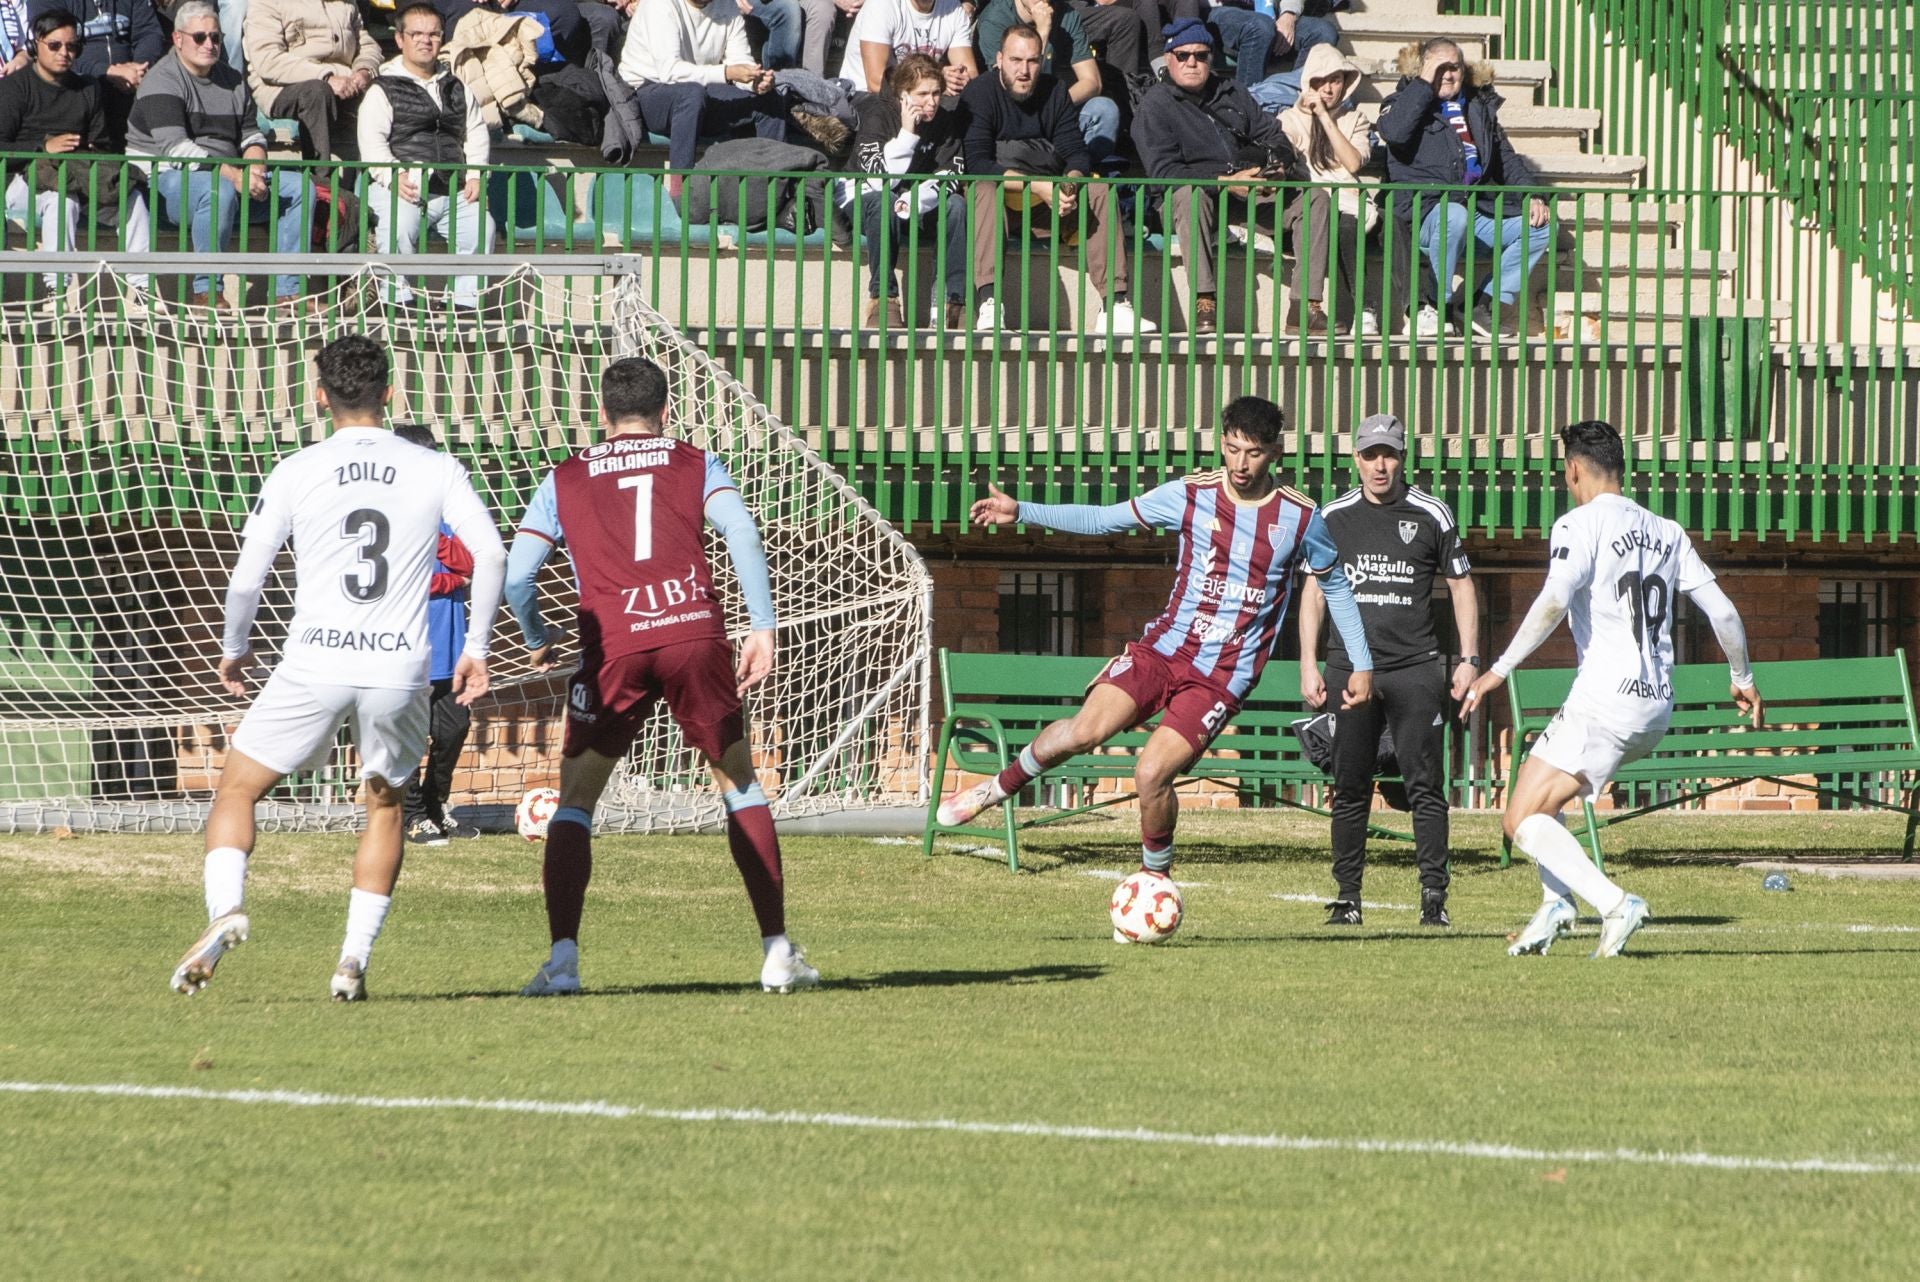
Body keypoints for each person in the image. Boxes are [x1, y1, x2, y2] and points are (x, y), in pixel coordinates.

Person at [939, 396, 1374, 923]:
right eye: (1232, 448)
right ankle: (997, 788)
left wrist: (1362, 662)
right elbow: (1105, 519)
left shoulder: (1302, 518)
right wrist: (1023, 511)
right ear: (1222, 442)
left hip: (1219, 678)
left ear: (1275, 453)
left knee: (1150, 775)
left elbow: (1338, 590)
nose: (1240, 464)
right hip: (1162, 652)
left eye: (1253, 453)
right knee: (1082, 733)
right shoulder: (1190, 495)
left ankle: (1155, 880)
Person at [168, 335, 507, 1002]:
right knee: (385, 807)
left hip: (314, 659)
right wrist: (478, 648)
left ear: (320, 396)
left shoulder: (298, 467)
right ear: (388, 394)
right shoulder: (435, 467)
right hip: (398, 667)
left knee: (237, 789)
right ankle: (351, 962)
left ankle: (224, 912)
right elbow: (491, 554)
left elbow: (246, 579)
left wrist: (234, 646)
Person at [503, 356, 819, 997]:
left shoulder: (564, 476)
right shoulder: (695, 462)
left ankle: (563, 962)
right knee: (739, 782)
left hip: (614, 641)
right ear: (667, 412)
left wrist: (539, 637)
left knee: (577, 800)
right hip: (691, 633)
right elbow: (741, 532)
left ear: (602, 415)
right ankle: (776, 952)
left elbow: (517, 576)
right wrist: (763, 624)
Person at [1461, 420, 1762, 959]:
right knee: (1542, 800)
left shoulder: (1578, 525)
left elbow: (1553, 600)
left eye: (1564, 473)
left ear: (1573, 469)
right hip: (1654, 705)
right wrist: (1742, 679)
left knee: (1518, 820)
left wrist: (1499, 669)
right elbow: (1725, 613)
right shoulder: (1668, 531)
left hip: (1605, 699)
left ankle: (1615, 903)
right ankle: (1556, 906)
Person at [1298, 414, 1477, 928]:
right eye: (1371, 454)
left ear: (1403, 458)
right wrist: (1309, 662)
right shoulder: (1331, 516)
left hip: (1414, 670)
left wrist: (1468, 661)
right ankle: (1348, 897)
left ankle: (1434, 898)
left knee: (1425, 785)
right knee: (1350, 785)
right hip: (1348, 672)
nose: (1381, 465)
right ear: (1355, 459)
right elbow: (1312, 591)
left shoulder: (1430, 514)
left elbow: (1462, 587)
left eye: (1390, 454)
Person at [126, 3, 317, 310]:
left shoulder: (233, 79)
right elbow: (177, 150)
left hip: (228, 176)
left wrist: (255, 167)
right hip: (162, 183)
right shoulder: (161, 79)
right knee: (219, 189)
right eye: (199, 37)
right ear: (177, 39)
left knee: (299, 188)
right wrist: (234, 175)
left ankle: (288, 291)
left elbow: (252, 134)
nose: (209, 44)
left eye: (215, 37)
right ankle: (206, 290)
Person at [961, 23, 1150, 333]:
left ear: (1043, 60)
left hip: (1045, 202)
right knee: (983, 188)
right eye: (1015, 60)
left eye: (1033, 61)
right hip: (998, 205)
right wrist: (1038, 184)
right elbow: (978, 163)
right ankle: (989, 302)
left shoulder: (1055, 90)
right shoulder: (980, 92)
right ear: (998, 59)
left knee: (1099, 190)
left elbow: (1076, 154)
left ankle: (1114, 304)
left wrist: (1070, 184)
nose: (1024, 70)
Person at [1378, 36, 1550, 340]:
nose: (1447, 74)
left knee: (1540, 228)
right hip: (1422, 214)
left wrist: (1533, 195)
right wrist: (1421, 84)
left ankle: (1479, 304)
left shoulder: (1478, 109)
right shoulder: (1401, 102)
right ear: (1423, 68)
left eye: (1454, 68)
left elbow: (1506, 160)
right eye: (1438, 67)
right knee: (1453, 214)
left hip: (1474, 211)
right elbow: (1394, 133)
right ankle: (1436, 304)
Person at [1130, 18, 1292, 335]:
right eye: (1183, 55)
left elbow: (1274, 134)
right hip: (1185, 201)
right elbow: (1165, 172)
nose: (1192, 62)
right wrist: (1224, 181)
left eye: (1201, 55)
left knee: (1314, 199)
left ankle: (1307, 306)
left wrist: (1279, 162)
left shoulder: (1232, 91)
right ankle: (1205, 299)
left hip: (1244, 192)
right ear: (1169, 58)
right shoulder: (1156, 104)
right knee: (1191, 194)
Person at [0, 8, 150, 300]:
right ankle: (57, 290)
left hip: (78, 175)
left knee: (131, 197)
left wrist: (85, 150)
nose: (64, 53)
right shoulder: (13, 89)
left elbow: (102, 142)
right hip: (22, 182)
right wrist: (43, 147)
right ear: (36, 44)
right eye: (54, 45)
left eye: (72, 46)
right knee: (61, 200)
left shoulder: (88, 87)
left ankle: (142, 287)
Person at [357, 3, 495, 311]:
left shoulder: (457, 86)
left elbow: (475, 132)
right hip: (403, 185)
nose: (425, 40)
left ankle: (464, 305)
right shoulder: (383, 88)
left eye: (433, 34)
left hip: (454, 186)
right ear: (400, 39)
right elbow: (372, 141)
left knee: (481, 227)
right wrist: (393, 175)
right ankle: (396, 300)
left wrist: (475, 174)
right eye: (416, 33)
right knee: (398, 226)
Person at [392, 424, 483, 846]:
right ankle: (411, 815)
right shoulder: (388, 514)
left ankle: (434, 806)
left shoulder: (448, 514)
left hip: (450, 650)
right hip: (404, 647)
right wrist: (452, 582)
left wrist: (441, 542)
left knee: (453, 729)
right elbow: (400, 580)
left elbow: (472, 560)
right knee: (409, 734)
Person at [618, 0, 792, 201]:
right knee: (691, 95)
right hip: (647, 91)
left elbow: (739, 61)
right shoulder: (659, 5)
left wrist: (755, 82)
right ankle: (680, 193)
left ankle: (772, 196)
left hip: (699, 88)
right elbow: (670, 71)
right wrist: (727, 73)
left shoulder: (728, 6)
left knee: (769, 99)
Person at [844, 52, 968, 328]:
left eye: (936, 93)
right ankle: (883, 300)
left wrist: (915, 200)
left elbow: (952, 173)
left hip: (913, 202)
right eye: (922, 94)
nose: (932, 101)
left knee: (956, 206)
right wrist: (908, 135)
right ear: (903, 94)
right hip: (864, 199)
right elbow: (878, 179)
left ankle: (951, 302)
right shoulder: (877, 114)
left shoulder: (943, 121)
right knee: (884, 199)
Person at [1275, 41, 1373, 335]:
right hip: (1309, 207)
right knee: (1336, 222)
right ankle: (1316, 307)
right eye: (1321, 81)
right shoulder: (1288, 118)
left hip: (1349, 203)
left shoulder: (1356, 119)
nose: (1329, 89)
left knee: (1382, 225)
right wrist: (1308, 114)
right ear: (1308, 83)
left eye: (1336, 80)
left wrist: (1324, 118)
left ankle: (1366, 310)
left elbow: (1353, 163)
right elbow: (1284, 151)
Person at [972, 0, 1120, 161]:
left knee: (1104, 110)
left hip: (1050, 109)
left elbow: (1092, 82)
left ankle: (1082, 173)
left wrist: (1057, 107)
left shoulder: (1066, 14)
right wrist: (1042, 32)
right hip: (1010, 117)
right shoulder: (995, 18)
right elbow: (1010, 88)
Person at [242, 0, 382, 160]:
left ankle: (393, 173)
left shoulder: (347, 3)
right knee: (317, 92)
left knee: (384, 89)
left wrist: (364, 70)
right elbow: (267, 59)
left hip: (344, 82)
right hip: (280, 85)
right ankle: (320, 176)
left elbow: (366, 44)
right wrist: (326, 77)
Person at [28, 0, 164, 141]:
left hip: (132, 84)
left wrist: (139, 68)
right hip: (76, 90)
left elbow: (149, 33)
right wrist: (107, 71)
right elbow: (54, 51)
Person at [837, 0, 978, 95]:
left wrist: (958, 79)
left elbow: (970, 73)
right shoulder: (882, 4)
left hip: (924, 96)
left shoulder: (953, 8)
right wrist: (937, 80)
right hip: (869, 96)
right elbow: (875, 82)